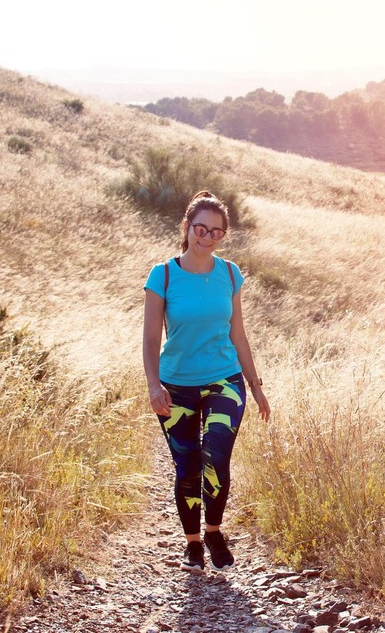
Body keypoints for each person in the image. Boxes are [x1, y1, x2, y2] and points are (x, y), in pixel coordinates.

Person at [142, 190, 271, 573]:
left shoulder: (230, 274)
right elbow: (151, 338)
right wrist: (153, 384)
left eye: (216, 231)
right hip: (176, 385)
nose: (207, 236)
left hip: (224, 381)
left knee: (216, 457)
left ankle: (214, 530)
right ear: (186, 227)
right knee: (188, 466)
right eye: (201, 228)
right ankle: (193, 543)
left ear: (223, 235)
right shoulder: (162, 275)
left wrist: (257, 386)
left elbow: (239, 335)